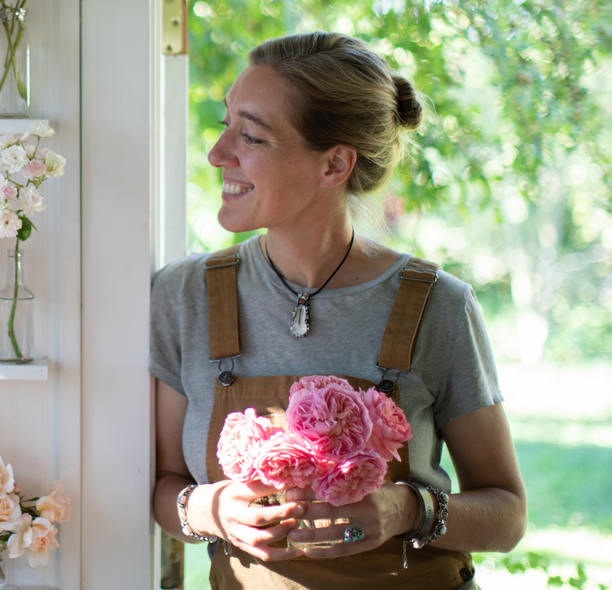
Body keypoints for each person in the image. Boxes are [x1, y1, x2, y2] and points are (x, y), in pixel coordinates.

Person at [150, 32, 527, 589]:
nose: (218, 153)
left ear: (334, 165)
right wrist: (213, 510)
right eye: (228, 123)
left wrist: (407, 509)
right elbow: (163, 484)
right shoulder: (185, 295)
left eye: (250, 135)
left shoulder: (438, 305)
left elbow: (507, 515)